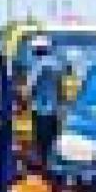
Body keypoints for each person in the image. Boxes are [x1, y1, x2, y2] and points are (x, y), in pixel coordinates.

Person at [24, 37, 63, 171]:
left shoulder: (38, 65)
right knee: (52, 143)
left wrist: (23, 99)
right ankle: (52, 169)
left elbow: (29, 87)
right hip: (53, 111)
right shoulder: (56, 65)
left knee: (41, 144)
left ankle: (43, 172)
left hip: (40, 109)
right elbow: (60, 88)